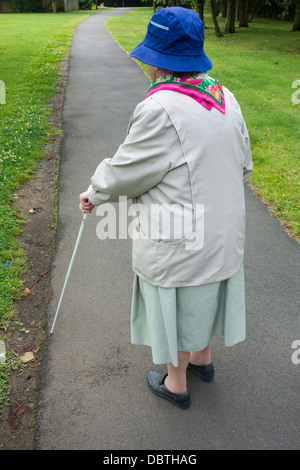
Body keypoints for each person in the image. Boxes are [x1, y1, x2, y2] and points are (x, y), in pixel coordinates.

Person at [79, 7, 252, 410]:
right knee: (206, 288)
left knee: (174, 296)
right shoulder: (224, 95)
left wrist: (94, 193)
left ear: (156, 59)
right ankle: (203, 360)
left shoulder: (161, 108)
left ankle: (176, 384)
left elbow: (128, 169)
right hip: (223, 230)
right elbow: (243, 163)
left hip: (179, 236)